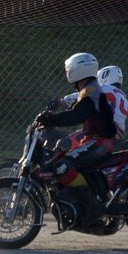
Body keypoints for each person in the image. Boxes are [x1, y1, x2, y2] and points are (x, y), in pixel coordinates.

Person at [34, 52, 118, 229]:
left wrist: (49, 120)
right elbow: (76, 111)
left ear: (77, 70)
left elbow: (76, 115)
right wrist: (53, 117)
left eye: (69, 69)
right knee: (59, 159)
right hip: (94, 140)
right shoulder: (89, 89)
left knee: (62, 167)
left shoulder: (91, 90)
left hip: (98, 142)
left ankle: (94, 208)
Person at [96, 65, 128, 140]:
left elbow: (84, 94)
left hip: (104, 130)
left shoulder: (105, 88)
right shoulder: (124, 96)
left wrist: (65, 101)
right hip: (119, 133)